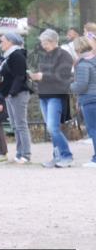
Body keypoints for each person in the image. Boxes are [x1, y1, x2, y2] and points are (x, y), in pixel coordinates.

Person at [31, 28, 75, 168]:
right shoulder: (45, 55)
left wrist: (42, 76)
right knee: (52, 129)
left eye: (46, 42)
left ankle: (66, 156)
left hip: (56, 95)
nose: (43, 45)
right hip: (44, 95)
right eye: (42, 42)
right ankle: (57, 157)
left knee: (52, 128)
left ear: (54, 41)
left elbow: (63, 76)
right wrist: (35, 77)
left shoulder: (65, 55)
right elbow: (43, 74)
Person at [0, 32, 33, 164]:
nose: (0, 44)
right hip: (10, 94)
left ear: (11, 41)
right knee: (15, 125)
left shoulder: (17, 55)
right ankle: (19, 153)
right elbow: (8, 74)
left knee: (21, 124)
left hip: (18, 93)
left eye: (2, 41)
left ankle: (26, 154)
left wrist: (12, 92)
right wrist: (0, 80)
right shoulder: (9, 56)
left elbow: (20, 76)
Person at [69, 36, 96, 167]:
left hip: (90, 99)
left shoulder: (83, 64)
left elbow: (81, 85)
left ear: (77, 49)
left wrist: (69, 86)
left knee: (93, 130)